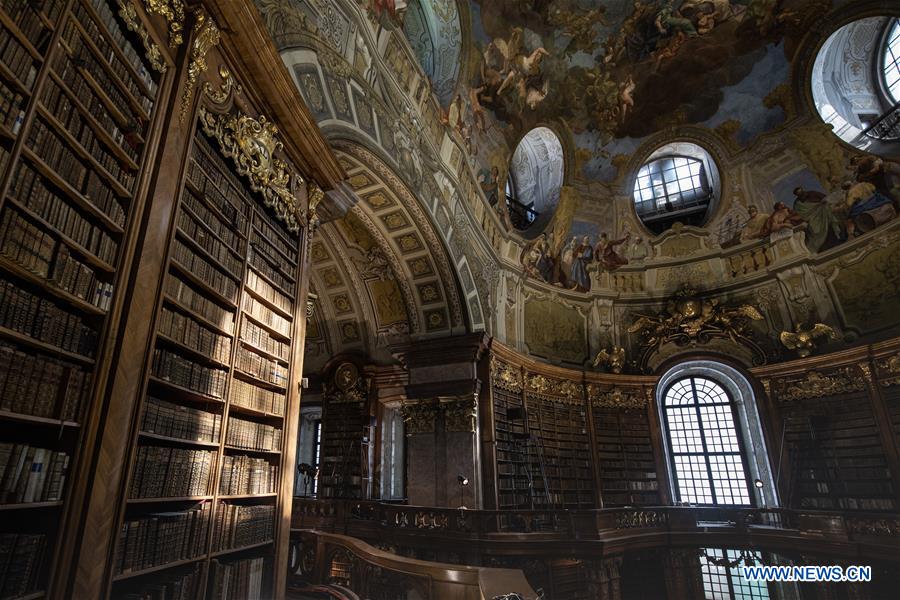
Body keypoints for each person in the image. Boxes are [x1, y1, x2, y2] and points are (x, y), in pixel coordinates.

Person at [790, 187, 842, 252]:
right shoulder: (797, 203)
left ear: (803, 191)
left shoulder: (812, 193)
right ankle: (823, 246)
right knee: (813, 228)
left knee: (828, 222)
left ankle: (834, 242)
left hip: (822, 213)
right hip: (810, 218)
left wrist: (822, 204)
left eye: (801, 192)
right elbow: (799, 214)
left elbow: (825, 199)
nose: (801, 194)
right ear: (797, 195)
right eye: (799, 194)